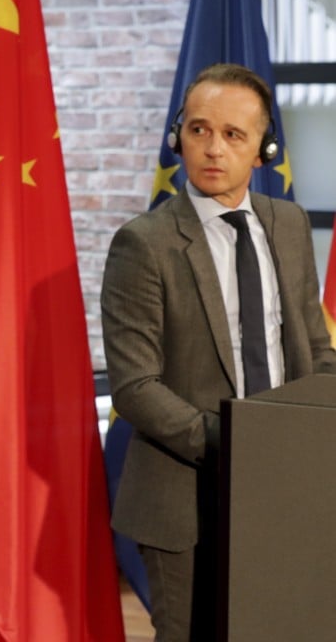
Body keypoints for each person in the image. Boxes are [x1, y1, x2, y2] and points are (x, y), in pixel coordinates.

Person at [101, 63, 336, 641]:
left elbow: (314, 347)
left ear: (263, 150)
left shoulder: (288, 224)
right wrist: (240, 442)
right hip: (185, 493)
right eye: (199, 129)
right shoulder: (143, 243)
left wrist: (314, 430)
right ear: (177, 135)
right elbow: (136, 387)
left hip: (288, 484)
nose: (213, 148)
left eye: (233, 134)